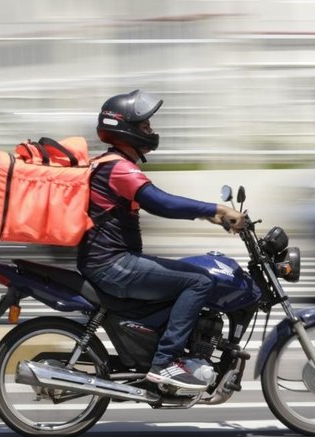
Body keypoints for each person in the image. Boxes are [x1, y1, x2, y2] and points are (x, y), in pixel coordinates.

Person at [77, 90, 245, 391]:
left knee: (184, 277)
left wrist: (208, 216)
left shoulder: (110, 163)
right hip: (113, 265)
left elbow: (162, 203)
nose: (151, 132)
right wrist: (216, 209)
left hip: (109, 261)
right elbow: (161, 203)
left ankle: (162, 348)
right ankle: (165, 363)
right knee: (199, 282)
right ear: (125, 128)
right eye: (145, 126)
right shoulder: (119, 168)